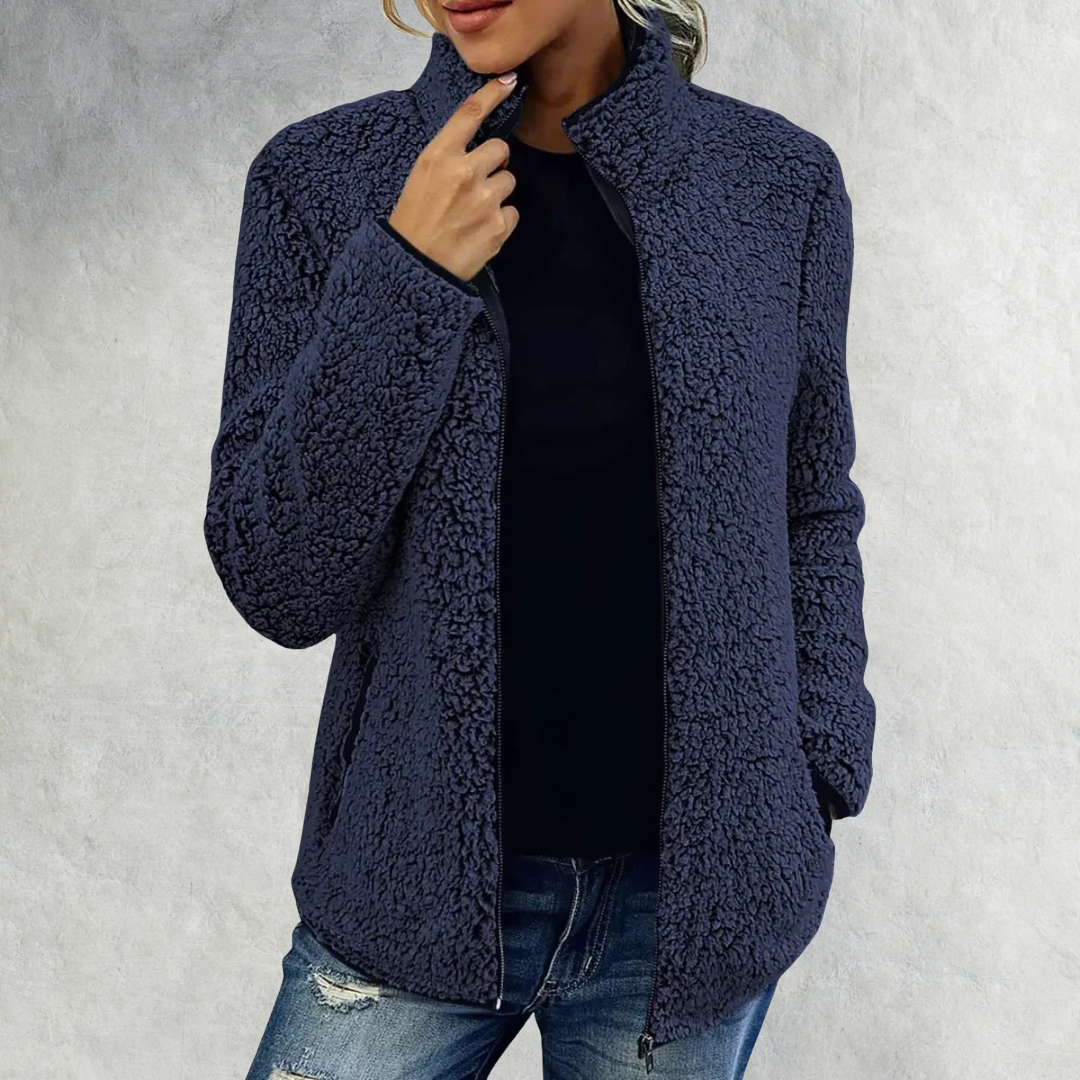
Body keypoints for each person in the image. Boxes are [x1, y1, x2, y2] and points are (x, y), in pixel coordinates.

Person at [203, 1, 876, 1077]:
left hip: (693, 907)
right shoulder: (320, 181)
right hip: (411, 888)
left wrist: (821, 766)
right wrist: (407, 268)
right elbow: (276, 577)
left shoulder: (776, 184)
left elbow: (810, 500)